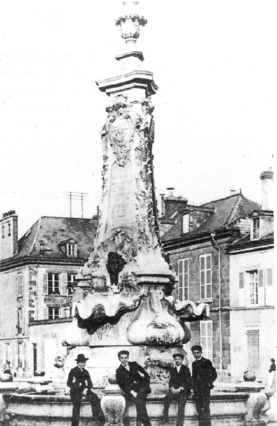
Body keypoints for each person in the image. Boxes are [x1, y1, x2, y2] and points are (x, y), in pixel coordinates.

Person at [116, 350, 152, 426]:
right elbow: (122, 385)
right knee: (140, 401)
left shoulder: (134, 364)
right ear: (119, 359)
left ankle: (139, 421)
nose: (124, 359)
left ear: (128, 358)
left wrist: (143, 378)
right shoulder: (119, 371)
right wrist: (131, 391)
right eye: (122, 358)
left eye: (126, 357)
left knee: (140, 396)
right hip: (132, 391)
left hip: (142, 387)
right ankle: (143, 423)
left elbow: (146, 375)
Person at [67, 354, 105, 426]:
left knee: (95, 397)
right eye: (81, 362)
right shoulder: (73, 371)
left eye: (84, 362)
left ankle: (97, 418)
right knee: (76, 404)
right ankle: (75, 424)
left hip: (85, 390)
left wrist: (87, 388)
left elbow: (90, 383)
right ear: (77, 363)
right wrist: (77, 385)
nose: (83, 364)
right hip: (75, 391)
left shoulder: (85, 372)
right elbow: (69, 383)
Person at [160, 353, 191, 426]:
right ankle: (165, 417)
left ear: (182, 360)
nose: (177, 361)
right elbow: (171, 381)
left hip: (183, 390)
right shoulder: (173, 369)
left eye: (179, 359)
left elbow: (188, 381)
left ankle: (179, 424)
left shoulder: (186, 369)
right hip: (174, 389)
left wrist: (180, 388)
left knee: (181, 404)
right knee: (166, 399)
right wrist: (172, 388)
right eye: (176, 359)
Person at [191, 345, 217, 426]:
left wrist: (209, 382)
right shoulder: (194, 363)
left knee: (205, 408)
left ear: (201, 353)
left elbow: (214, 374)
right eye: (194, 353)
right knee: (199, 408)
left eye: (197, 353)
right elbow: (194, 376)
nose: (196, 354)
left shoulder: (207, 362)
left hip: (205, 388)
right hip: (197, 389)